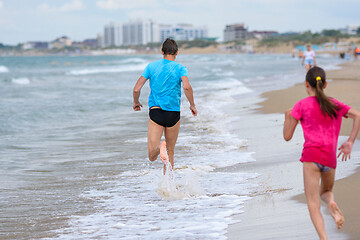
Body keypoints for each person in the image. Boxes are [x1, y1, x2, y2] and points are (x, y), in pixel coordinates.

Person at [283, 66, 360, 240]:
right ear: (324, 84)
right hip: (330, 158)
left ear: (306, 85)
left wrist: (287, 117)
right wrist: (349, 142)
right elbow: (358, 115)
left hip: (311, 157)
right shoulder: (334, 103)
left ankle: (324, 238)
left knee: (312, 203)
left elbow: (287, 136)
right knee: (325, 192)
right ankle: (331, 203)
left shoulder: (301, 105)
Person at [133, 38, 197, 171]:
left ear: (162, 51)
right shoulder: (181, 68)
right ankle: (169, 187)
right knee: (171, 152)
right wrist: (192, 105)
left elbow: (136, 89)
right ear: (177, 52)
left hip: (156, 112)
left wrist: (136, 102)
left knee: (152, 154)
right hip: (173, 113)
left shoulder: (151, 66)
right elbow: (186, 87)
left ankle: (158, 148)